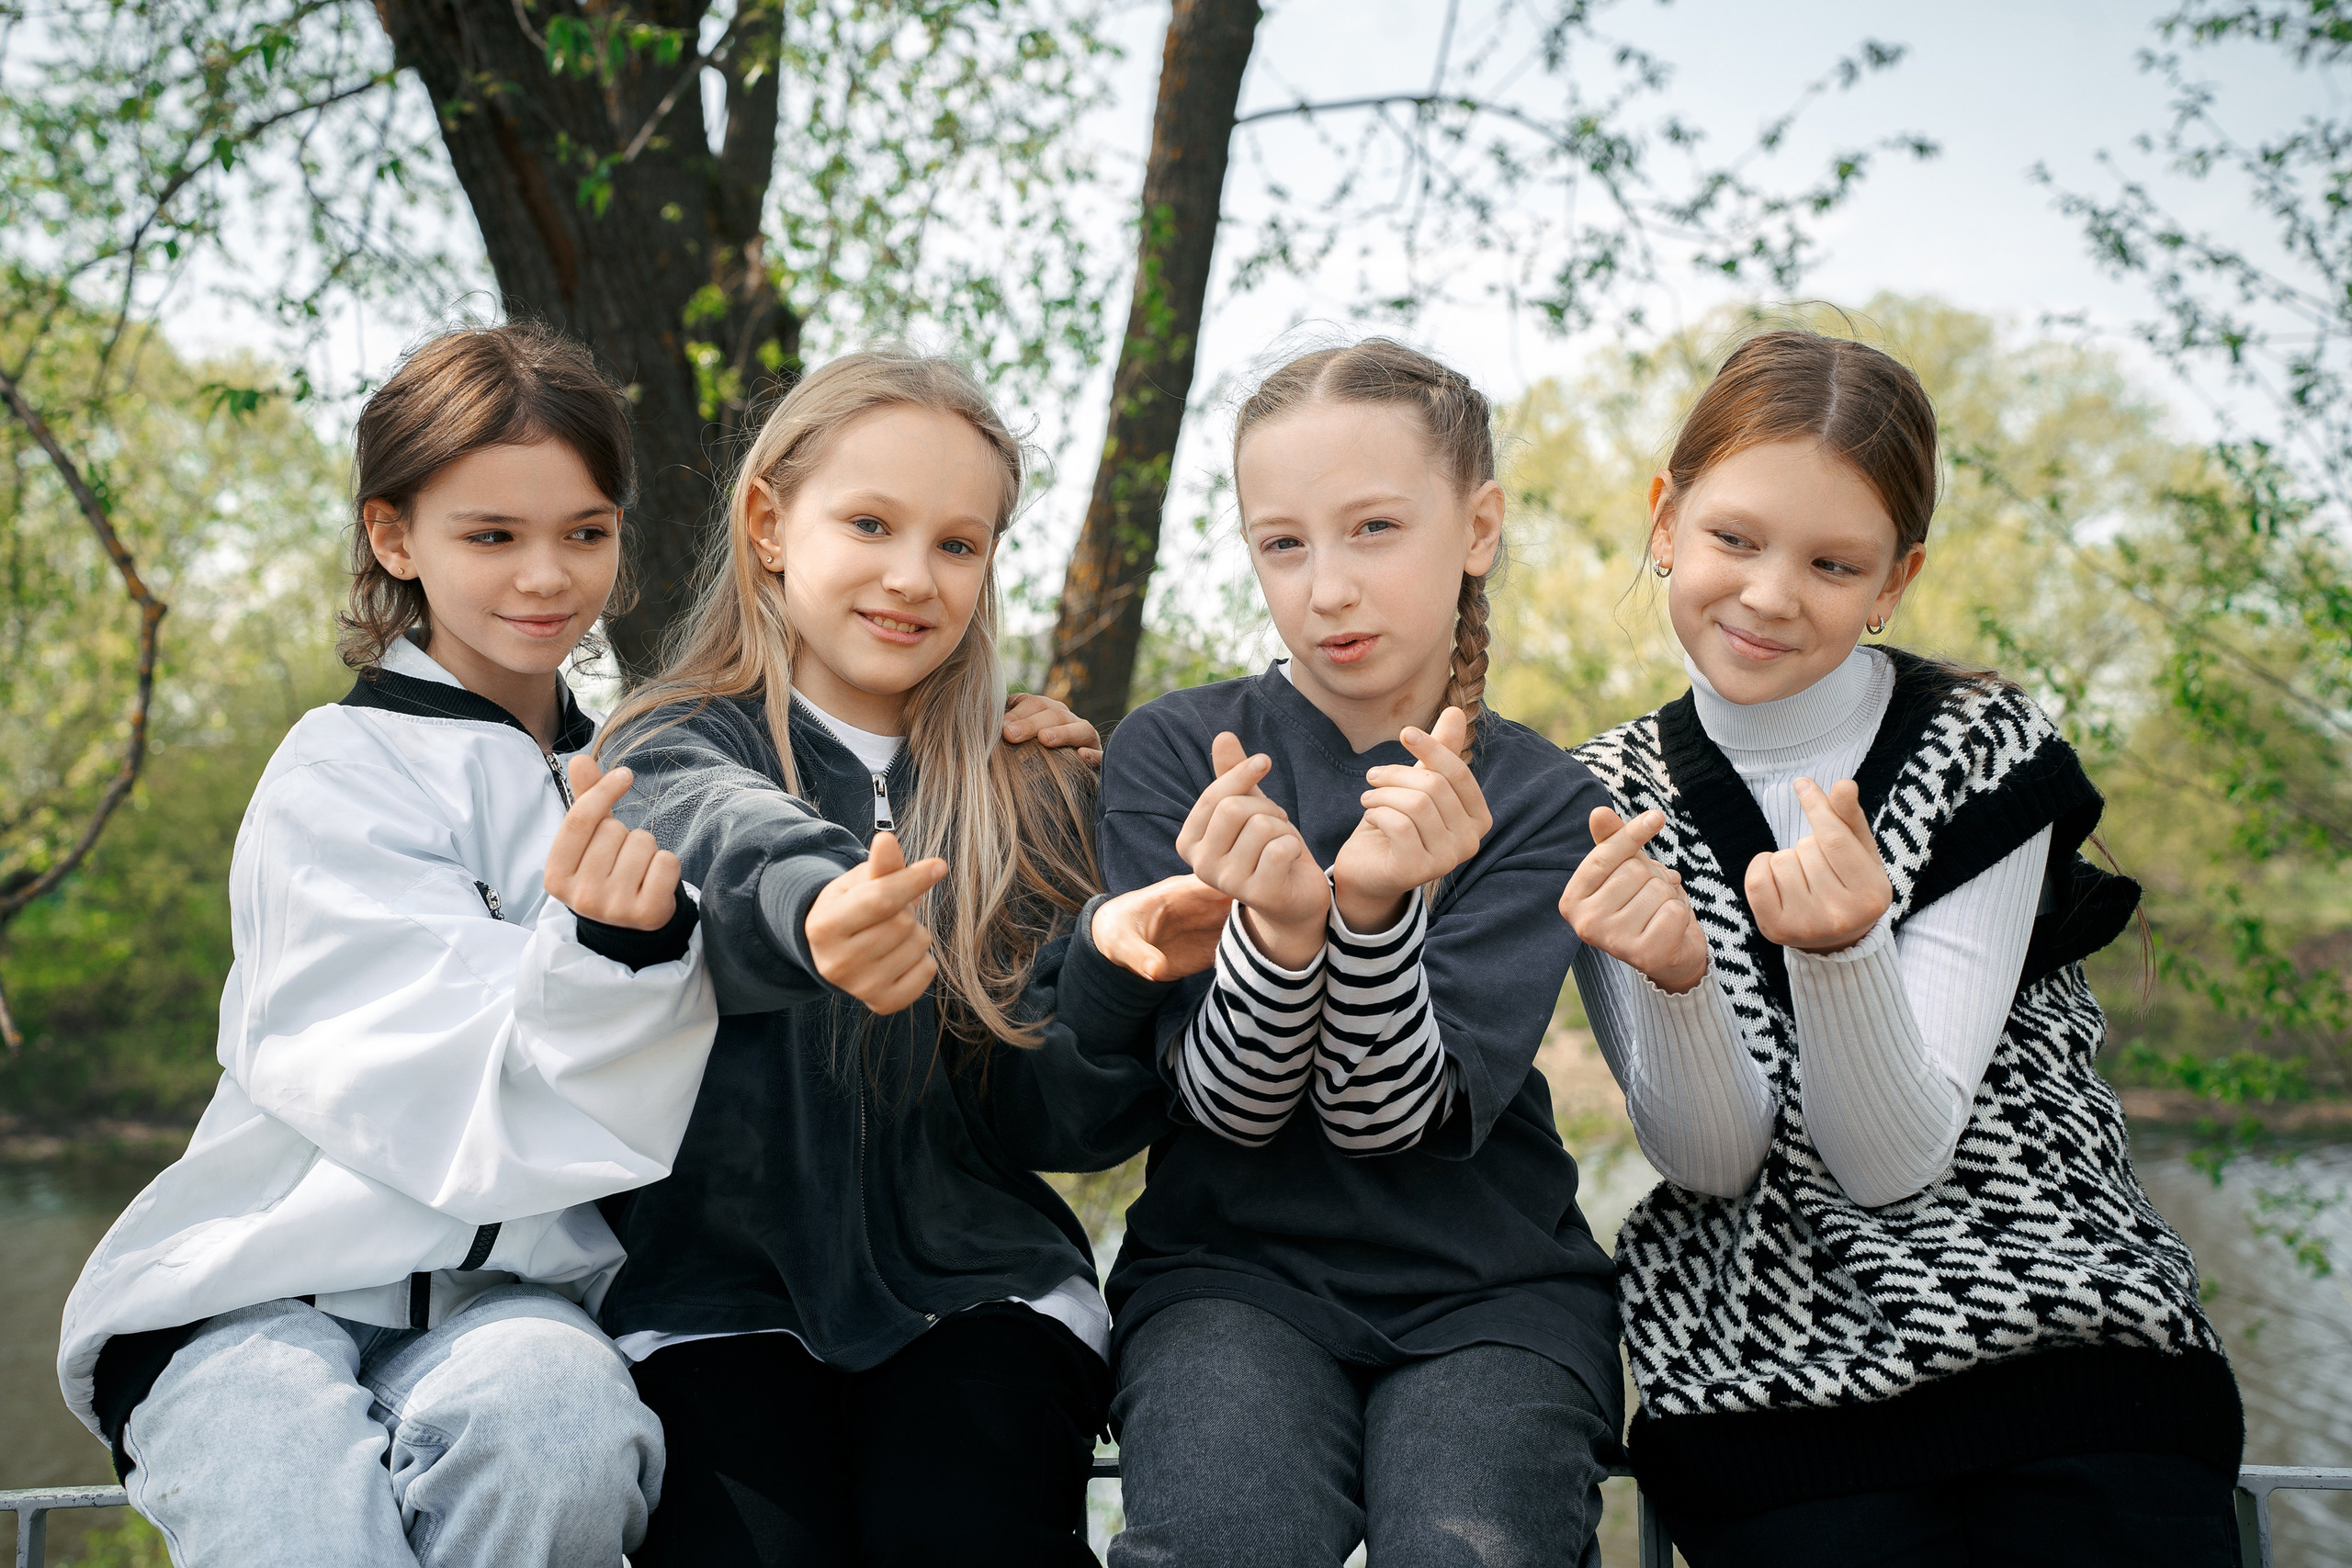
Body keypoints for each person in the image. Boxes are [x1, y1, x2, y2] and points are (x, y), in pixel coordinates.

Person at [1562, 328, 2242, 1567]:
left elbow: (1891, 1160)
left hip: (2061, 1344)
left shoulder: (1977, 745)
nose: (1772, 594)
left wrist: (1843, 954)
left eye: (1833, 563)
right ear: (1665, 519)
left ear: (1895, 579)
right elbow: (1713, 1160)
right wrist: (1678, 982)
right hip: (1769, 1378)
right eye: (1734, 539)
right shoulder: (1600, 796)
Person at [56, 321, 720, 1568]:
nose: (546, 577)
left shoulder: (644, 775)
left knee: (565, 1434)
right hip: (254, 1293)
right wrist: (616, 957)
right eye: (492, 536)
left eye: (585, 532)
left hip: (511, 1305)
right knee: (289, 1484)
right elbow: (429, 1086)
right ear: (394, 537)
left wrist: (1015, 741)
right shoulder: (336, 769)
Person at [590, 346, 1221, 1568]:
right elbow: (722, 834)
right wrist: (820, 907)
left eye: (958, 544)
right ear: (769, 525)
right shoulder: (665, 748)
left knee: (960, 1534)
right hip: (711, 1305)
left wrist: (1111, 971)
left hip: (987, 1293)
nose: (912, 577)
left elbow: (1052, 1124)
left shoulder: (1028, 787)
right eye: (869, 523)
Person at [1091, 339, 1623, 1568]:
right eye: (1283, 544)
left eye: (1374, 529)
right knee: (1224, 1545)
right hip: (1229, 1275)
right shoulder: (1176, 754)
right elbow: (1232, 1108)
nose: (1327, 588)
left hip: (1492, 1294)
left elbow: (1383, 1120)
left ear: (1477, 527)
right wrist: (1282, 937)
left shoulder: (1542, 798)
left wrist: (1371, 916)